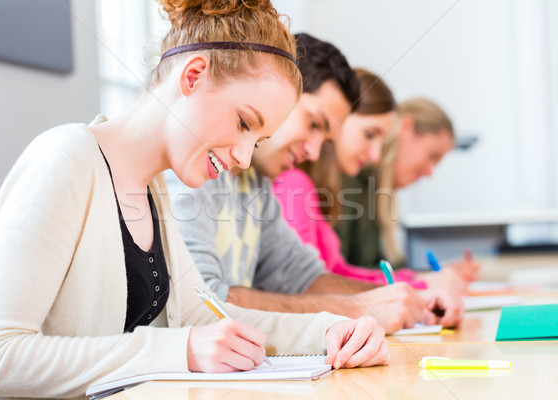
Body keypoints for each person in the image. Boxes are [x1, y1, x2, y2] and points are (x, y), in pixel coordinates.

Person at [0, 3, 390, 399]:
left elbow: (208, 318)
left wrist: (332, 330)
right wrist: (176, 350)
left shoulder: (154, 189)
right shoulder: (65, 160)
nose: (244, 158)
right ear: (193, 75)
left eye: (257, 140)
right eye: (243, 122)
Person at [166, 34, 463, 335]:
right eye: (313, 124)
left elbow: (303, 277)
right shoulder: (195, 168)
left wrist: (411, 300)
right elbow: (205, 302)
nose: (314, 151)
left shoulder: (256, 182)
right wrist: (356, 309)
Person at [273, 70, 474, 293]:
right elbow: (306, 287)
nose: (375, 155)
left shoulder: (315, 185)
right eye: (432, 156)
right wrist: (420, 284)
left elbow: (338, 272)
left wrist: (416, 282)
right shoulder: (297, 183)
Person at [336, 97, 480, 285]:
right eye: (432, 156)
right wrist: (423, 280)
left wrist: (437, 275)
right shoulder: (349, 182)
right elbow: (340, 276)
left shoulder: (375, 191)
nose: (430, 172)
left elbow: (381, 271)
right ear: (406, 128)